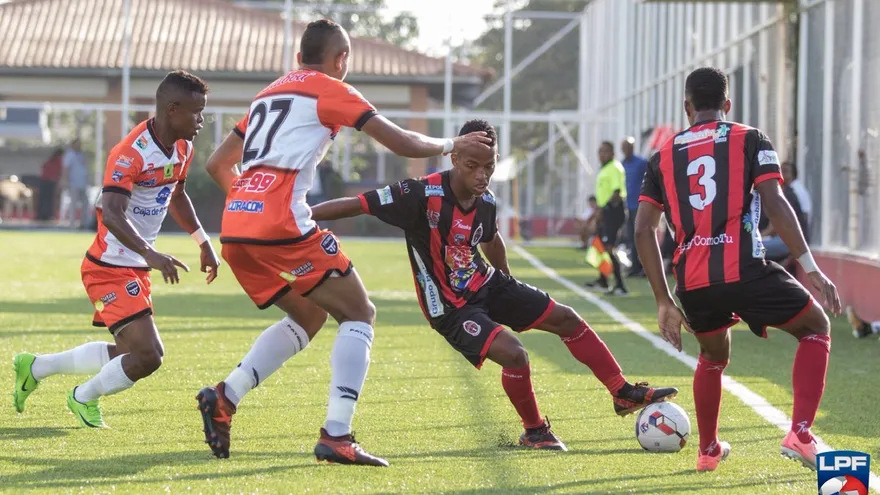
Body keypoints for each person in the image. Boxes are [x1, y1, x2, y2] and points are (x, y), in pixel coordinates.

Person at [196, 19, 491, 466]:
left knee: (311, 314)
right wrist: (454, 141)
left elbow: (218, 163)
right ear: (341, 61)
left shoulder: (267, 94)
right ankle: (337, 435)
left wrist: (248, 203)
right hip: (281, 223)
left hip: (237, 225)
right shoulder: (329, 87)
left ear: (299, 58)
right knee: (360, 313)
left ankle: (225, 397)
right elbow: (404, 143)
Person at [310, 119, 678, 451]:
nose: (482, 175)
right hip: (450, 308)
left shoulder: (486, 200)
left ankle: (622, 392)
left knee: (567, 318)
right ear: (454, 158)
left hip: (487, 283)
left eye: (489, 166)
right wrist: (302, 217)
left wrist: (506, 279)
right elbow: (356, 204)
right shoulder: (419, 194)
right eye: (473, 166)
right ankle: (535, 431)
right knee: (515, 353)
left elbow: (492, 238)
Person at [635, 67, 841, 473]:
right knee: (815, 327)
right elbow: (776, 203)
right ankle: (800, 432)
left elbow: (643, 228)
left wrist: (664, 300)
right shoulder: (750, 138)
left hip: (692, 282)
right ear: (727, 106)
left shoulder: (661, 157)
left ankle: (708, 450)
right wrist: (810, 266)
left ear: (687, 107)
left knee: (712, 355)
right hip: (745, 269)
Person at [12, 70, 220, 428]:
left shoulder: (183, 147)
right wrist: (151, 253)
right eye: (196, 112)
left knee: (129, 353)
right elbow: (111, 213)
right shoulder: (130, 153)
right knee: (149, 356)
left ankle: (36, 366)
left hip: (134, 265)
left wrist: (203, 242)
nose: (201, 121)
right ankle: (82, 397)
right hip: (109, 266)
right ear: (172, 109)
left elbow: (177, 195)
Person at [585, 141, 628, 295]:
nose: (602, 154)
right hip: (604, 211)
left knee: (610, 247)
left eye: (605, 151)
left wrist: (603, 210)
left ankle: (621, 285)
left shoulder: (615, 168)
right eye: (600, 151)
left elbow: (617, 193)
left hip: (613, 211)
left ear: (612, 153)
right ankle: (603, 280)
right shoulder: (604, 169)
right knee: (601, 245)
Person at [760, 161, 809, 262]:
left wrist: (759, 236)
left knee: (755, 249)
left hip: (791, 241)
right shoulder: (785, 192)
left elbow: (775, 226)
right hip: (787, 239)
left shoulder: (790, 193)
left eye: (785, 171)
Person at [621, 137, 648, 277]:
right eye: (624, 147)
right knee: (631, 237)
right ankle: (635, 267)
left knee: (642, 236)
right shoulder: (621, 165)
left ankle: (645, 267)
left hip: (639, 205)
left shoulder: (641, 163)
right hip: (627, 205)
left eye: (629, 147)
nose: (626, 150)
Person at [61, 138, 91, 229]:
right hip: (73, 183)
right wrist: (65, 180)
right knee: (73, 203)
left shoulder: (80, 155)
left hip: (82, 183)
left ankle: (83, 223)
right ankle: (72, 224)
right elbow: (65, 168)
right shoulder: (69, 155)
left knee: (85, 202)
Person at [38, 147, 64, 221]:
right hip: (51, 181)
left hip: (43, 180)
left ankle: (41, 215)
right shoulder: (59, 160)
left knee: (43, 199)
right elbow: (59, 171)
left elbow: (43, 167)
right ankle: (48, 215)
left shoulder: (51, 159)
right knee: (50, 199)